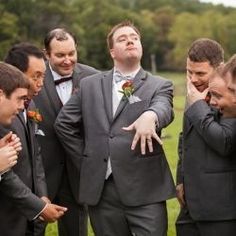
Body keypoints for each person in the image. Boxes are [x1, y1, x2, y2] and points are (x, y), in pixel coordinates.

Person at [55, 21, 175, 236]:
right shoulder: (89, 85)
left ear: (140, 46)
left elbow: (164, 107)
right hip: (102, 190)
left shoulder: (160, 85)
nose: (130, 40)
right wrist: (87, 158)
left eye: (134, 37)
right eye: (122, 38)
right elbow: (63, 124)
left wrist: (151, 115)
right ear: (112, 52)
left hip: (145, 188)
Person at [33, 28, 98, 236]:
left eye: (71, 53)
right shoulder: (31, 77)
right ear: (47, 54)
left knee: (76, 230)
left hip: (77, 172)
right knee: (32, 228)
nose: (68, 60)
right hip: (41, 174)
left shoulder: (94, 78)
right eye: (60, 55)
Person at [0, 43, 67, 236]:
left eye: (43, 76)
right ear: (17, 73)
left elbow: (35, 155)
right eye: (35, 76)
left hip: (30, 214)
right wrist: (38, 207)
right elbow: (6, 173)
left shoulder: (29, 105)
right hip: (8, 213)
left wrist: (42, 196)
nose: (40, 82)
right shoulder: (6, 112)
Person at [176, 38, 236, 236]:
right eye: (189, 72)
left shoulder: (230, 96)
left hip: (220, 209)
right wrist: (181, 180)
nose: (193, 79)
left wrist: (198, 107)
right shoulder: (195, 93)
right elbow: (185, 139)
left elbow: (225, 142)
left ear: (219, 68)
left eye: (200, 73)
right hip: (189, 207)